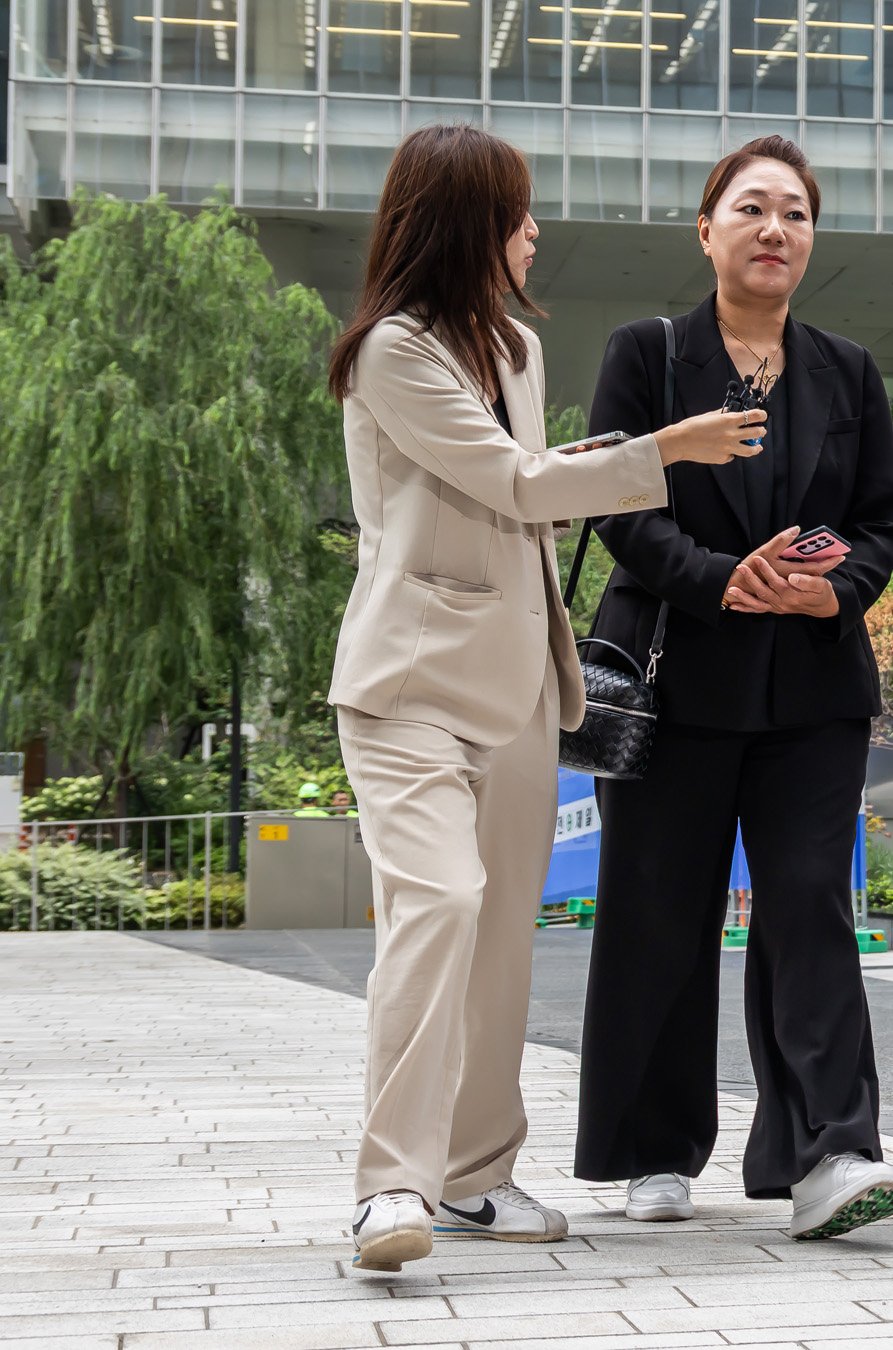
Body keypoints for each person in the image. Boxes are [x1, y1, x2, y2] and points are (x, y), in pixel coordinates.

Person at [327, 124, 767, 1272]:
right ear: (469, 222)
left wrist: (594, 461)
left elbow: (523, 499)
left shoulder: (513, 350)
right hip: (410, 686)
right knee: (440, 908)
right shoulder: (395, 350)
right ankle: (392, 1187)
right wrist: (662, 451)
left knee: (500, 945)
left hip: (521, 689)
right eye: (517, 214)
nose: (533, 234)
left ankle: (473, 1179)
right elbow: (512, 481)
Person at [573, 135, 893, 1241]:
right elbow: (617, 505)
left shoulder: (847, 368)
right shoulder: (649, 353)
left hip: (812, 686)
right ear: (706, 229)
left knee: (809, 904)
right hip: (675, 678)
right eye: (753, 210)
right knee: (658, 913)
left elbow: (878, 518)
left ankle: (829, 1150)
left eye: (797, 214)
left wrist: (835, 590)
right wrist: (727, 579)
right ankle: (653, 1150)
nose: (776, 231)